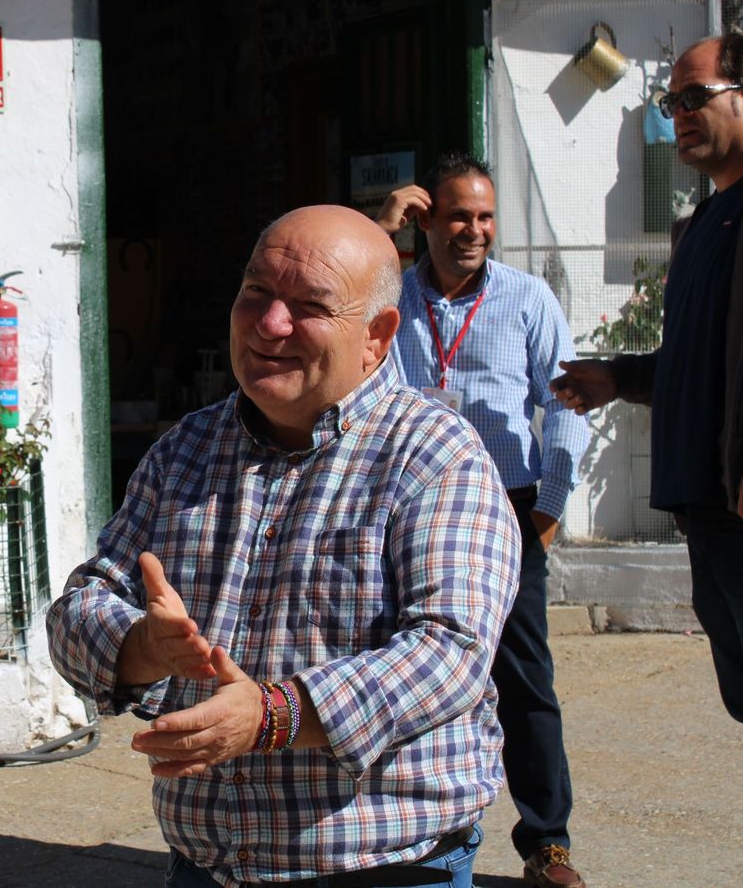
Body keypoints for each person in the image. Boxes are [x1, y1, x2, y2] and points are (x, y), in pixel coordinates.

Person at [47, 205, 520, 887]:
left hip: (384, 868)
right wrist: (139, 648)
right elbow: (80, 607)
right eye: (256, 294)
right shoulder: (185, 452)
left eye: (309, 306)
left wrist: (276, 715)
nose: (271, 324)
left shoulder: (436, 458)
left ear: (377, 336)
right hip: (206, 865)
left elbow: (450, 652)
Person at [550, 33, 743, 888]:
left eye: (690, 98)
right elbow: (710, 358)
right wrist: (622, 378)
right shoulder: (707, 219)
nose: (676, 120)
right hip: (714, 508)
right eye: (667, 106)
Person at [376, 154, 590, 888]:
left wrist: (552, 505)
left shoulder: (527, 299)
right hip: (408, 509)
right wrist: (379, 230)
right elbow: (333, 320)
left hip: (508, 510)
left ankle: (548, 845)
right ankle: (412, 830)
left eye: (486, 216)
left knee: (524, 677)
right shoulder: (390, 298)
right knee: (405, 668)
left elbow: (563, 401)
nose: (475, 230)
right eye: (459, 214)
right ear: (426, 218)